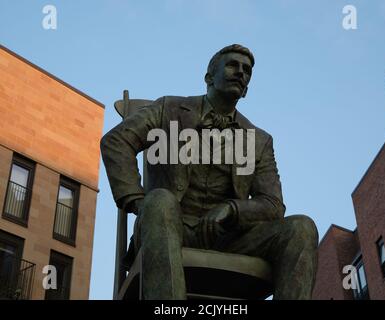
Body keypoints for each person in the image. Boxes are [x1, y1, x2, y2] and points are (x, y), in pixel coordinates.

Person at [101, 44, 318, 299]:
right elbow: (117, 141)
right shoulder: (168, 109)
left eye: (247, 70)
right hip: (168, 226)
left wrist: (232, 210)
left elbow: (272, 204)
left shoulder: (259, 140)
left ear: (247, 88)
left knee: (302, 228)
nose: (241, 73)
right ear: (208, 78)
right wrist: (139, 202)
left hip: (230, 238)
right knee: (160, 201)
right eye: (232, 65)